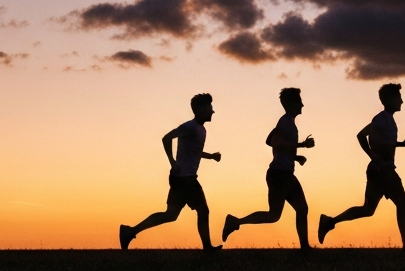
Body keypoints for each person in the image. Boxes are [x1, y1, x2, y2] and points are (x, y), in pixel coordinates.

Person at [318, 82, 405, 250]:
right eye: (398, 98)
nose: (401, 101)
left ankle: (330, 221)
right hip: (383, 170)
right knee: (403, 203)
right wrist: (377, 155)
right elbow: (370, 139)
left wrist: (400, 145)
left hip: (378, 170)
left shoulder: (386, 119)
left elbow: (368, 137)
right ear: (389, 100)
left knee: (368, 209)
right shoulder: (381, 119)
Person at [119, 92, 223, 251]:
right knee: (203, 210)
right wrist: (172, 161)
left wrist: (211, 157)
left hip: (182, 178)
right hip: (185, 179)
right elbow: (166, 138)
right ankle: (207, 248)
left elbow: (194, 151)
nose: (213, 111)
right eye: (210, 107)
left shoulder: (200, 130)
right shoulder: (189, 127)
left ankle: (130, 231)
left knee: (170, 215)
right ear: (200, 109)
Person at [222, 88, 315, 250]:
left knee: (300, 208)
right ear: (292, 104)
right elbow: (276, 142)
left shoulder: (286, 122)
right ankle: (235, 221)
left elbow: (269, 140)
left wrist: (294, 156)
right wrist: (302, 145)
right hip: (279, 174)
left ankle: (305, 247)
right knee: (274, 215)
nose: (302, 104)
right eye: (299, 101)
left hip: (284, 173)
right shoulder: (285, 121)